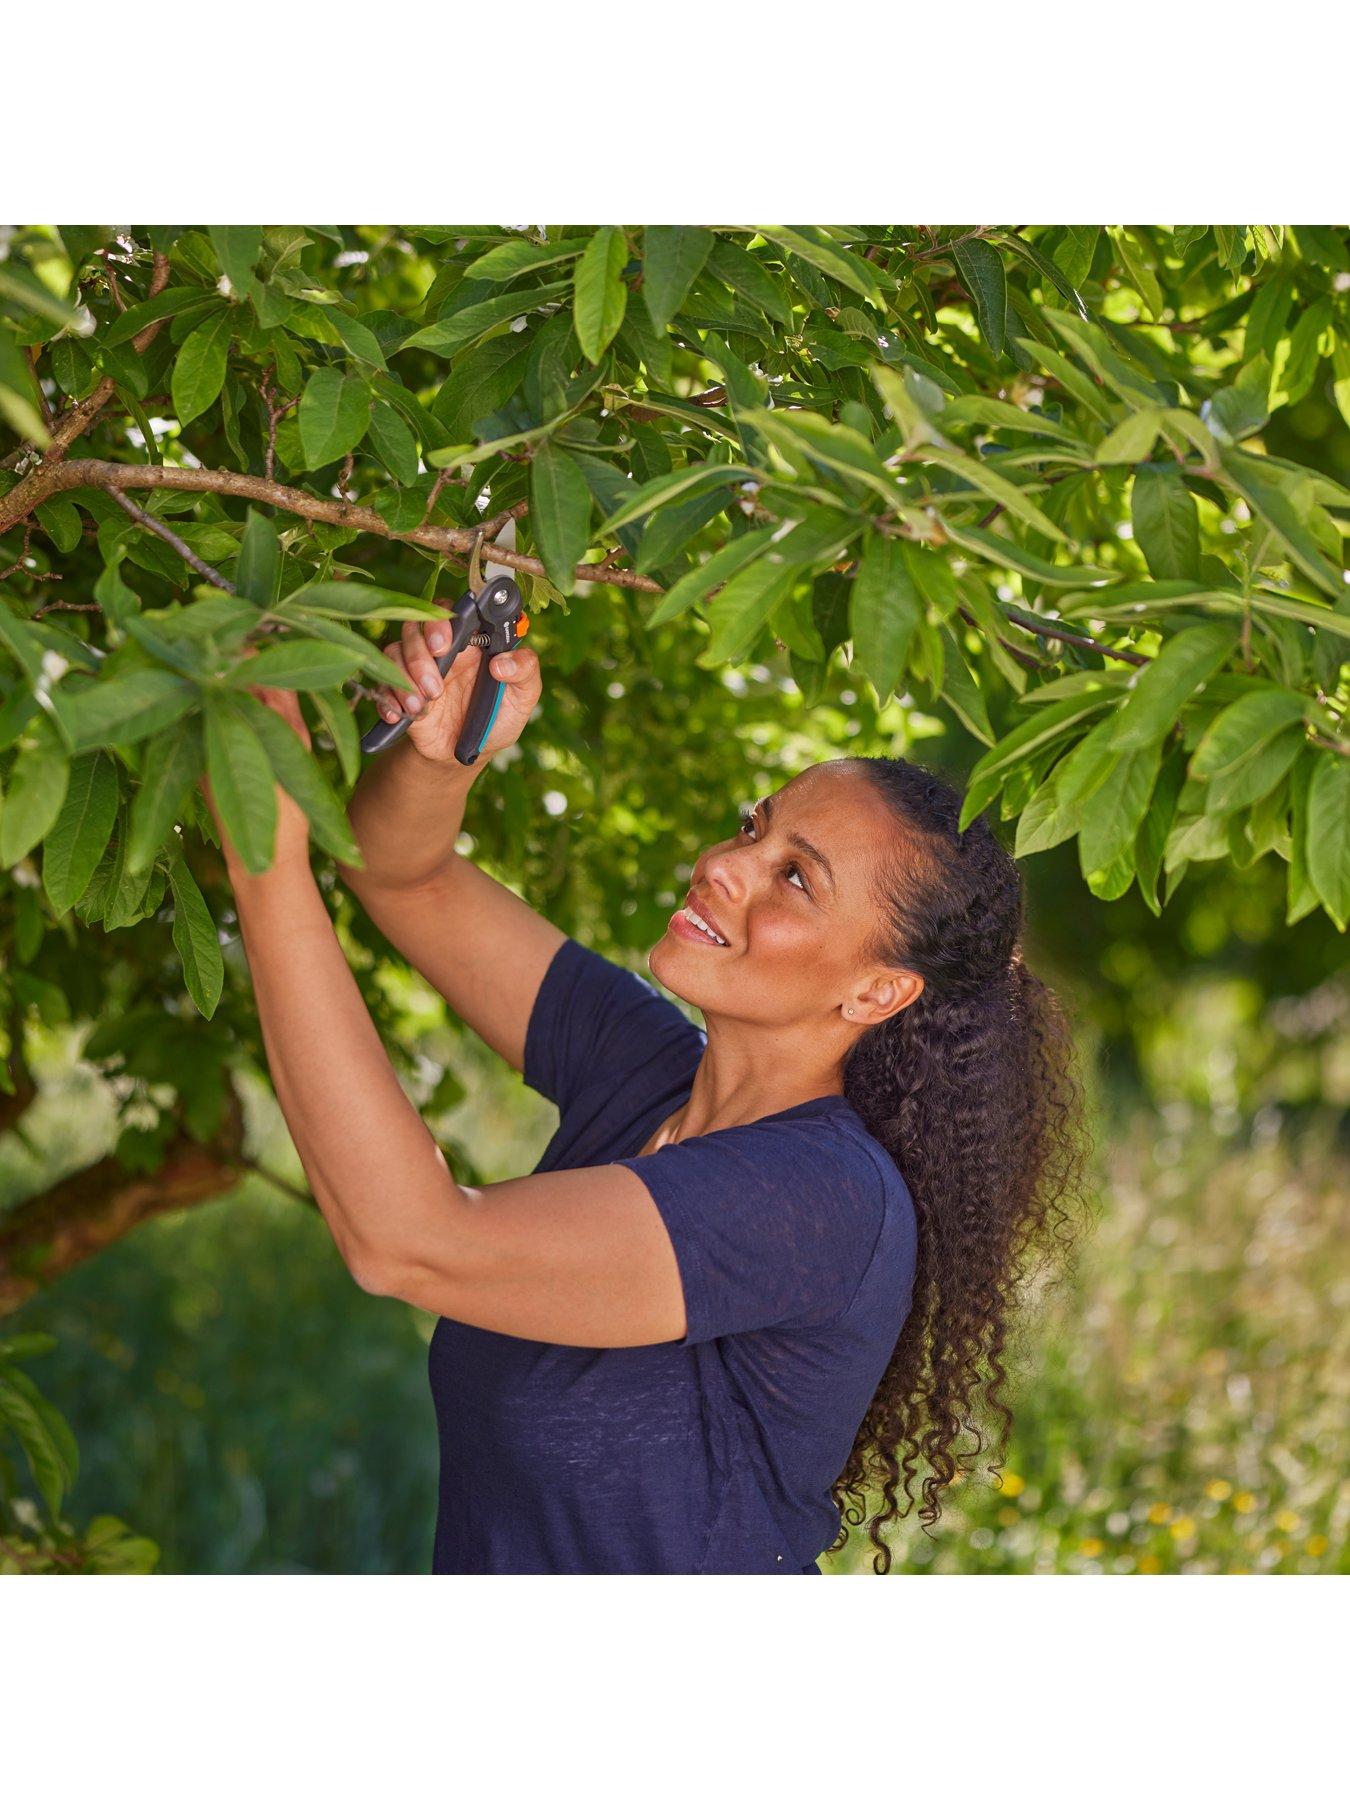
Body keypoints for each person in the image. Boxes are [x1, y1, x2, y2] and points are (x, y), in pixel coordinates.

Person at [207, 616, 1091, 1575]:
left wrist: (265, 862)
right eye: (756, 827)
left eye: (793, 878)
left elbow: (407, 1241)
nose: (724, 863)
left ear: (878, 990)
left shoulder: (821, 1198)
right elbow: (400, 874)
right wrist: (445, 755)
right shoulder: (649, 1070)